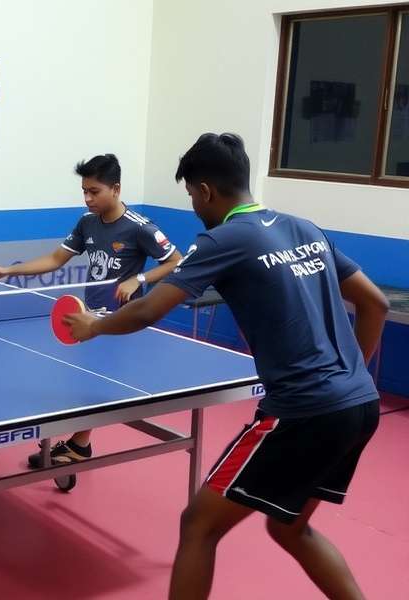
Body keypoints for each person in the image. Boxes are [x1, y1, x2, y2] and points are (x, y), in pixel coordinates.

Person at [64, 133, 388, 600]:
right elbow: (374, 304)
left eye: (192, 196)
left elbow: (149, 309)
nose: (195, 207)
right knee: (291, 529)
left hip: (303, 410)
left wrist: (94, 326)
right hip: (361, 405)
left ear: (206, 191)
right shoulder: (304, 227)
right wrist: (351, 378)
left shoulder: (223, 238)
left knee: (198, 525)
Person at [0, 154, 182, 468]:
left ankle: (77, 443)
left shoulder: (140, 228)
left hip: (121, 321)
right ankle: (77, 443)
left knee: (94, 384)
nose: (88, 198)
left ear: (115, 189)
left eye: (95, 191)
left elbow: (175, 261)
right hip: (90, 316)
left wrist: (138, 279)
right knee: (83, 381)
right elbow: (55, 259)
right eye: (84, 191)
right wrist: (8, 271)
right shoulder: (87, 223)